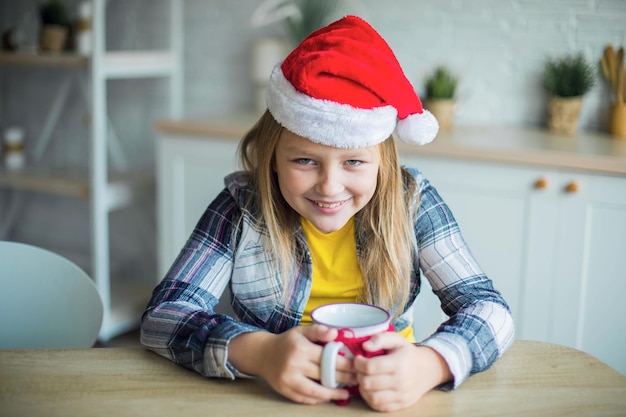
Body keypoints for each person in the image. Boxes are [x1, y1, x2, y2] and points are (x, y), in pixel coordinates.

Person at [141, 15, 514, 412]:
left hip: (389, 396)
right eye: (305, 160)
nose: (330, 187)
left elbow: (489, 309)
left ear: (382, 163)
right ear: (272, 159)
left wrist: (431, 363)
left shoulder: (412, 203)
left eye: (353, 162)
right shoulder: (241, 207)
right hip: (271, 396)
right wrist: (262, 354)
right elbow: (164, 315)